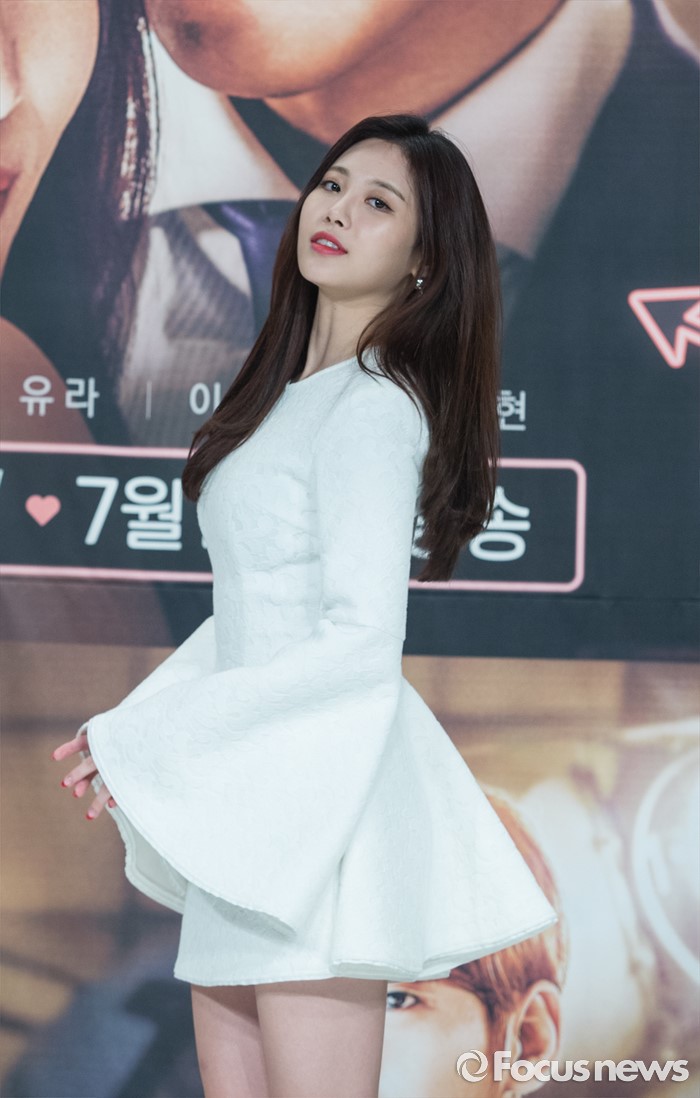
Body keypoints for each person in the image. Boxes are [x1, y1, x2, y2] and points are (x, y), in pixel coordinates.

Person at [52, 114, 559, 1098]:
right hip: (251, 815)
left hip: (320, 818)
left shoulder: (374, 406)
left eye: (379, 204)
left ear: (422, 261)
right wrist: (140, 728)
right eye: (332, 185)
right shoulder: (286, 398)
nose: (337, 210)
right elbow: (251, 616)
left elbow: (358, 638)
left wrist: (163, 737)